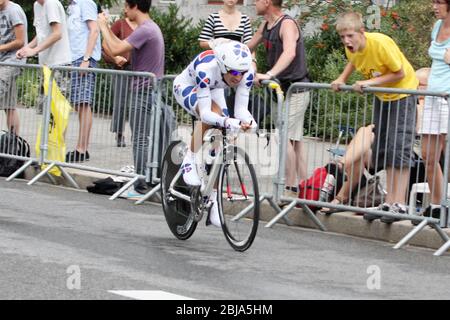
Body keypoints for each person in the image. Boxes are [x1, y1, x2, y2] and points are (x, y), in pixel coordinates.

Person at [330, 11, 419, 221]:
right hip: (383, 97)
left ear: (362, 32)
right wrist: (342, 77)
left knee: (399, 148)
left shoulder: (380, 43)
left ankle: (400, 204)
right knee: (385, 148)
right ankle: (389, 203)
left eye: (350, 35)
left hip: (403, 94)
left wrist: (367, 83)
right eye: (343, 37)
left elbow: (400, 73)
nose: (346, 41)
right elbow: (354, 60)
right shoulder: (351, 48)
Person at [173, 40, 257, 227]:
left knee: (222, 140)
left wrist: (251, 123)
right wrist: (228, 121)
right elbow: (206, 114)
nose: (239, 77)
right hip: (188, 86)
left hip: (216, 87)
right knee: (215, 117)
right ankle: (189, 159)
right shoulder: (206, 68)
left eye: (242, 72)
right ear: (223, 66)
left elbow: (242, 109)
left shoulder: (246, 72)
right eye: (234, 72)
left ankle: (213, 198)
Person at [98, 0, 164, 197]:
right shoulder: (150, 28)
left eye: (126, 6)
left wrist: (102, 26)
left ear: (135, 6)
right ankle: (144, 180)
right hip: (147, 89)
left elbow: (117, 49)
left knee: (140, 140)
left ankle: (141, 184)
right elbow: (118, 45)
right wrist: (108, 29)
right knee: (142, 138)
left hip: (142, 90)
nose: (125, 11)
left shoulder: (146, 29)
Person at [247, 0, 310, 199]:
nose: (253, 3)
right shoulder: (266, 25)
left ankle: (289, 189)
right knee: (294, 141)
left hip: (295, 90)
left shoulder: (287, 24)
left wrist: (270, 74)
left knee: (284, 138)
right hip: (279, 93)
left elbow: (290, 52)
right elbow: (248, 47)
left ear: (267, 2)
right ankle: (308, 188)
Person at [416, 0, 450, 220]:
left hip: (448, 98)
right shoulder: (437, 27)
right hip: (432, 97)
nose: (434, 6)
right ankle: (438, 205)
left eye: (439, 2)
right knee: (429, 157)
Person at [16, 0, 71, 115]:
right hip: (45, 65)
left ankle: (59, 134)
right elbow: (41, 33)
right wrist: (26, 48)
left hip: (59, 64)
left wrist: (34, 50)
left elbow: (57, 33)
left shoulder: (51, 3)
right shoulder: (37, 5)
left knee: (58, 113)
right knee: (45, 111)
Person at [66, 0, 101, 163]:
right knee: (79, 104)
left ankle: (82, 148)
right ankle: (81, 147)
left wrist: (86, 59)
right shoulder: (72, 4)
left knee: (83, 103)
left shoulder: (86, 2)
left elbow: (94, 30)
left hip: (83, 57)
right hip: (75, 57)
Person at [101, 16, 137, 148]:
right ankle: (119, 133)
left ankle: (137, 134)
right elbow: (105, 43)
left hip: (139, 69)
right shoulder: (120, 24)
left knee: (137, 103)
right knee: (120, 103)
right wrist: (115, 58)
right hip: (122, 68)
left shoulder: (143, 24)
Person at [0, 0, 27, 135]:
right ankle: (13, 145)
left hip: (12, 61)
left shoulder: (13, 10)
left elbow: (20, 41)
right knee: (9, 106)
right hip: (2, 62)